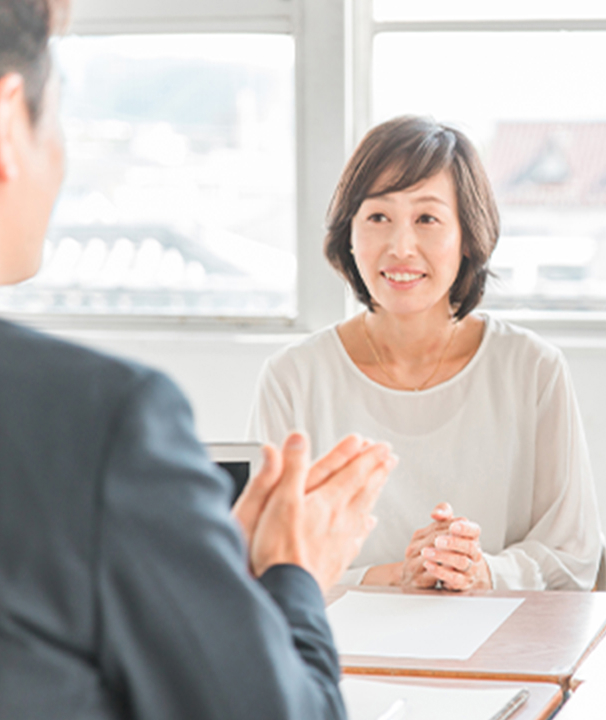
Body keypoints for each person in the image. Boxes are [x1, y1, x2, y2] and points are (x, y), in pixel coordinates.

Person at [0, 1, 396, 717]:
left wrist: (198, 576)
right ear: (7, 123)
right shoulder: (98, 423)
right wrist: (292, 577)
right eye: (57, 111)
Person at [248, 116, 603, 592]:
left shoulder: (533, 369)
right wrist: (395, 577)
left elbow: (574, 554)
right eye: (378, 217)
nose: (401, 247)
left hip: (502, 652)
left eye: (427, 219)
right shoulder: (294, 377)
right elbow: (264, 566)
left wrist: (479, 571)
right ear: (349, 234)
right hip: (342, 654)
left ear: (468, 235)